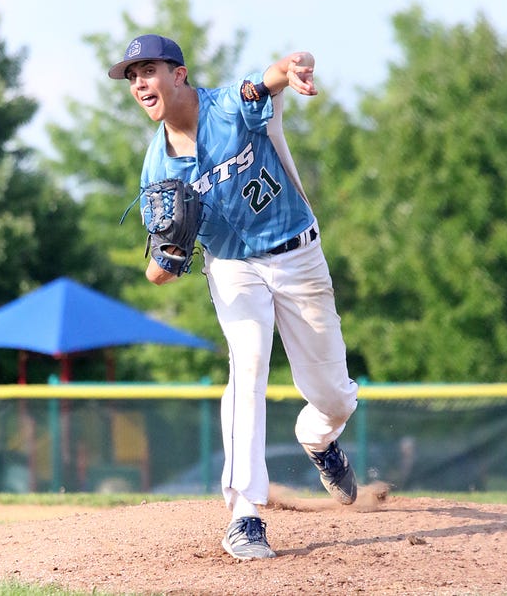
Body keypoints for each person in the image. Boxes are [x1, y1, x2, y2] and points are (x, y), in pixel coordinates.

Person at [109, 34, 359, 560]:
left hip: (298, 256)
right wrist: (168, 259)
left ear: (178, 74)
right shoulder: (157, 169)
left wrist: (296, 66)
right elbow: (159, 270)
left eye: (147, 70)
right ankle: (245, 513)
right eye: (131, 77)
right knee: (246, 367)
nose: (139, 83)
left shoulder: (227, 107)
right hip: (232, 268)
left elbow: (271, 76)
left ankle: (318, 439)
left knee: (333, 395)